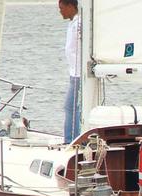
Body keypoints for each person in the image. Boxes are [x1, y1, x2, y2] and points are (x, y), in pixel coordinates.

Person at [59, 0, 81, 144]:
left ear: (70, 6)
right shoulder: (72, 23)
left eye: (61, 8)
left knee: (70, 107)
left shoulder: (79, 24)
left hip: (79, 74)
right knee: (73, 108)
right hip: (73, 73)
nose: (60, 11)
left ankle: (71, 140)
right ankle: (74, 138)